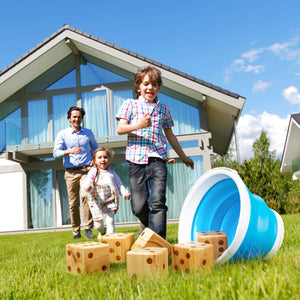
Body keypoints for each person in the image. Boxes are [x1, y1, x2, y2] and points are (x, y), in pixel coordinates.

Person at [115, 65, 194, 239]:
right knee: (138, 206)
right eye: (146, 84)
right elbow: (120, 129)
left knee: (158, 202)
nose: (150, 88)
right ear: (138, 87)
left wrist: (183, 157)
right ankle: (145, 223)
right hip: (136, 160)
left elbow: (170, 135)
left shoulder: (163, 110)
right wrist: (139, 125)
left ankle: (158, 242)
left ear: (158, 88)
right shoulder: (130, 105)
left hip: (158, 159)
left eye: (155, 84)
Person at [53, 106, 98, 239]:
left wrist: (94, 158)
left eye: (79, 117)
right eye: (74, 117)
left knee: (86, 197)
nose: (77, 119)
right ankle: (75, 231)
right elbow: (55, 153)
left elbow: (95, 147)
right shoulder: (62, 134)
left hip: (86, 171)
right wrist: (69, 151)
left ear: (81, 118)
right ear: (69, 118)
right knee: (73, 203)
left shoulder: (88, 133)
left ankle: (88, 229)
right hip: (70, 172)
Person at [84, 147, 130, 240]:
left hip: (110, 200)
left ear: (109, 159)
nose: (103, 160)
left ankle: (110, 241)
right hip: (96, 201)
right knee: (98, 225)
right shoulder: (93, 171)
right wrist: (89, 187)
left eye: (105, 157)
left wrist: (124, 193)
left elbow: (119, 184)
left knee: (110, 220)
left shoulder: (111, 173)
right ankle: (102, 231)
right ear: (95, 160)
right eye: (99, 157)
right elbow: (89, 181)